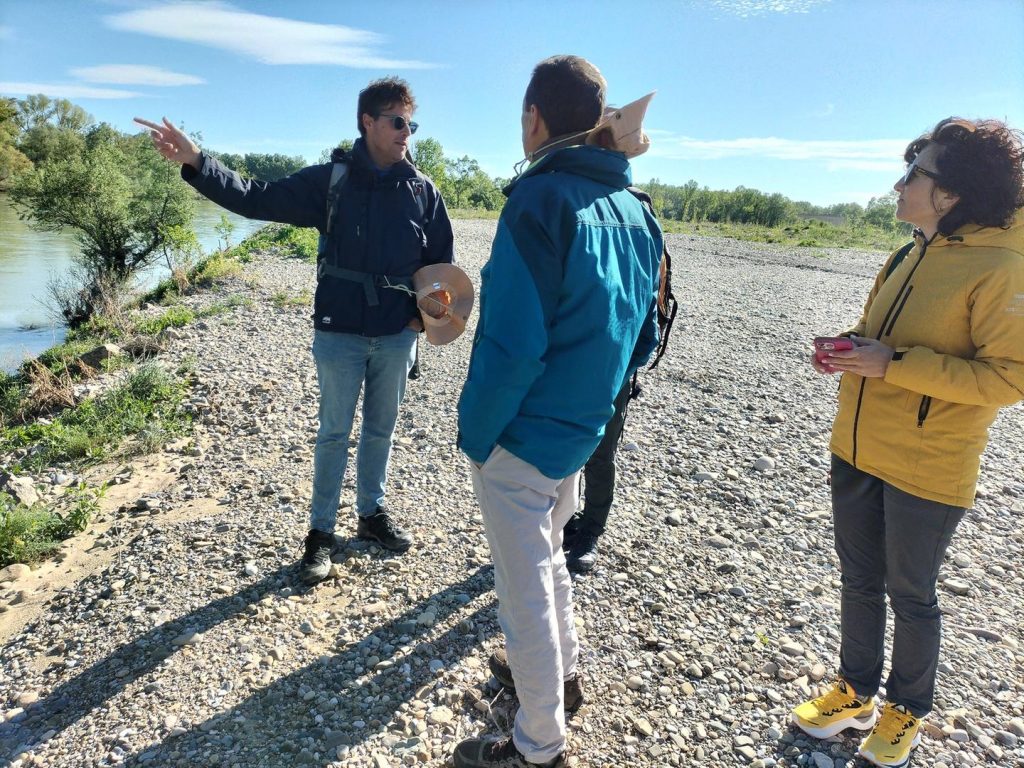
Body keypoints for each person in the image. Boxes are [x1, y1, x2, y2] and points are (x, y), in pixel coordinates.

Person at [135, 77, 454, 584]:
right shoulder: (331, 182)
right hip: (339, 332)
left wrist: (424, 319)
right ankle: (320, 535)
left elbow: (442, 267)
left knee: (381, 429)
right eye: (397, 122)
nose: (406, 133)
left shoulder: (423, 191)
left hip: (397, 335)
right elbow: (256, 198)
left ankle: (371, 516)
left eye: (411, 124)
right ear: (367, 122)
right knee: (333, 434)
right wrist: (197, 162)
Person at [791, 117, 1024, 768]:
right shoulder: (909, 251)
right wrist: (845, 348)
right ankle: (856, 693)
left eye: (913, 172)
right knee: (859, 579)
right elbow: (875, 333)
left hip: (930, 465)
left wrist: (892, 364)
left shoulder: (1003, 267)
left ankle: (905, 711)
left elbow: (1009, 379)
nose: (898, 184)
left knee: (910, 592)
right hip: (858, 447)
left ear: (949, 194)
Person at [453, 56, 662, 768]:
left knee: (522, 589)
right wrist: (598, 400)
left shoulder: (538, 203)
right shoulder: (637, 211)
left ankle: (538, 744)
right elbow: (646, 334)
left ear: (534, 119)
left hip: (524, 433)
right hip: (583, 426)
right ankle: (562, 679)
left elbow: (510, 347)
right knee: (551, 557)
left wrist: (475, 434)